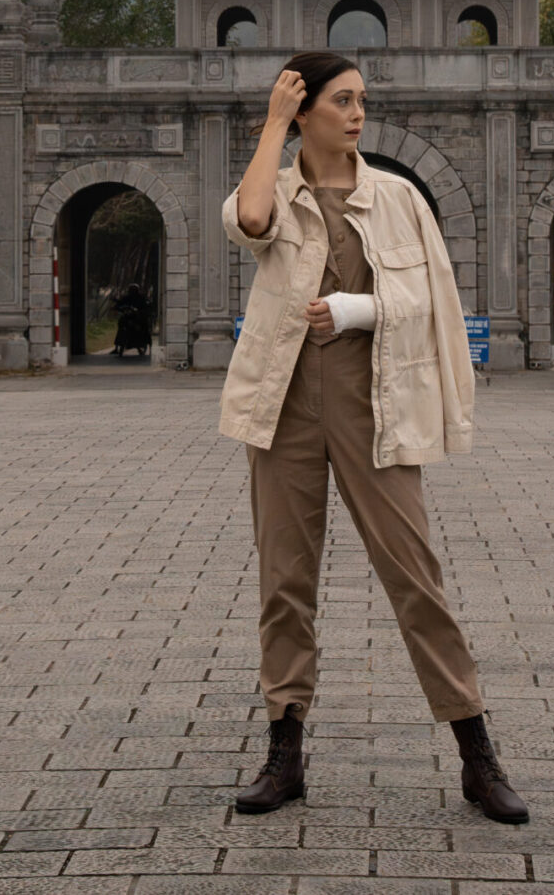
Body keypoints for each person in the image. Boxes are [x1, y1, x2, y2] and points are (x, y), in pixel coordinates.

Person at [220, 50, 528, 823]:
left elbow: (431, 297)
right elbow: (250, 220)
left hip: (373, 401)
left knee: (415, 577)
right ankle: (284, 754)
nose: (358, 113)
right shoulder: (278, 190)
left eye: (363, 100)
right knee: (285, 583)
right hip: (284, 402)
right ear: (305, 110)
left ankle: (476, 756)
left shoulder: (397, 198)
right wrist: (270, 126)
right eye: (343, 100)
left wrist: (357, 310)